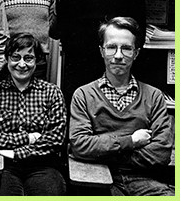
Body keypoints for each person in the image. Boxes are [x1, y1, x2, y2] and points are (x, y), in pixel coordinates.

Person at [69, 17, 174, 196]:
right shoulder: (84, 95)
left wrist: (104, 148)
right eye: (111, 47)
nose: (118, 55)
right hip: (98, 180)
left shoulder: (153, 96)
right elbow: (80, 144)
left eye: (126, 48)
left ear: (136, 53)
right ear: (102, 51)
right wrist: (131, 141)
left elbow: (161, 153)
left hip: (145, 182)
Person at [0, 33, 67, 196]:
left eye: (28, 58)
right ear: (7, 59)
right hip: (3, 166)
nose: (21, 64)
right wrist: (28, 138)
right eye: (16, 57)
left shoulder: (52, 93)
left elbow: (55, 139)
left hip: (43, 167)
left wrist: (14, 152)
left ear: (37, 60)